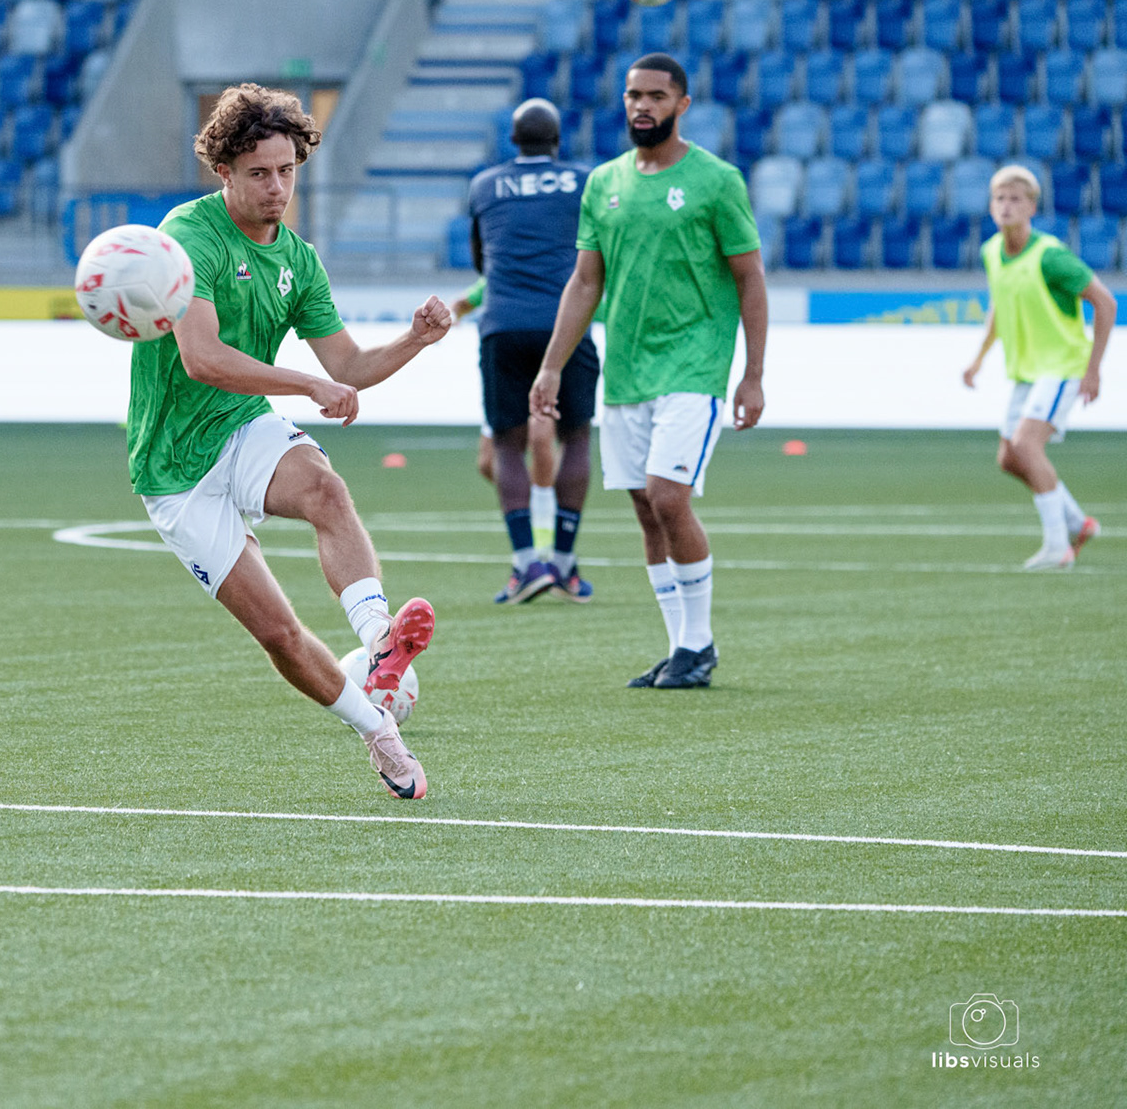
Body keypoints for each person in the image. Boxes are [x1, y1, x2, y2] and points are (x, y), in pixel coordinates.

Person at [130, 84, 452, 799]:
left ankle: (377, 641)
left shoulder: (297, 260)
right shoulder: (191, 237)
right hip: (173, 468)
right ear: (225, 172)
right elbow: (202, 358)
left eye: (287, 171)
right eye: (259, 174)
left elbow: (349, 367)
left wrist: (416, 340)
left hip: (240, 426)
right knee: (278, 632)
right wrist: (307, 387)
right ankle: (379, 732)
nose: (277, 188)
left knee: (326, 489)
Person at [530, 54, 768, 691]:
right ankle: (678, 649)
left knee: (669, 496)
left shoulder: (717, 182)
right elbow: (585, 283)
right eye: (634, 94)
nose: (643, 105)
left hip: (695, 363)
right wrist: (552, 366)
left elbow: (750, 277)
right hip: (628, 369)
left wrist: (753, 374)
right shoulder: (603, 182)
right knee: (645, 508)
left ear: (682, 104)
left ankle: (699, 643)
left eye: (657, 96)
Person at [453, 97, 599, 606]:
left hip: (504, 324)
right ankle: (562, 564)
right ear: (557, 141)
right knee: (575, 436)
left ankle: (525, 566)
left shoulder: (485, 184)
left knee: (507, 444)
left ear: (513, 141)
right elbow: (596, 251)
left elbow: (481, 260)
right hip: (567, 324)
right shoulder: (584, 181)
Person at [962, 165, 1115, 570]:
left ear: (1032, 206)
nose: (1006, 206)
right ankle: (1077, 522)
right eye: (1000, 198)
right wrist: (979, 358)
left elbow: (1106, 302)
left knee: (1027, 446)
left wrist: (1093, 370)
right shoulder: (991, 251)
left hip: (1063, 366)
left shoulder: (1051, 257)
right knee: (1010, 457)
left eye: (1015, 198)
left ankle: (1057, 547)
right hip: (1027, 370)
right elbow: (999, 305)